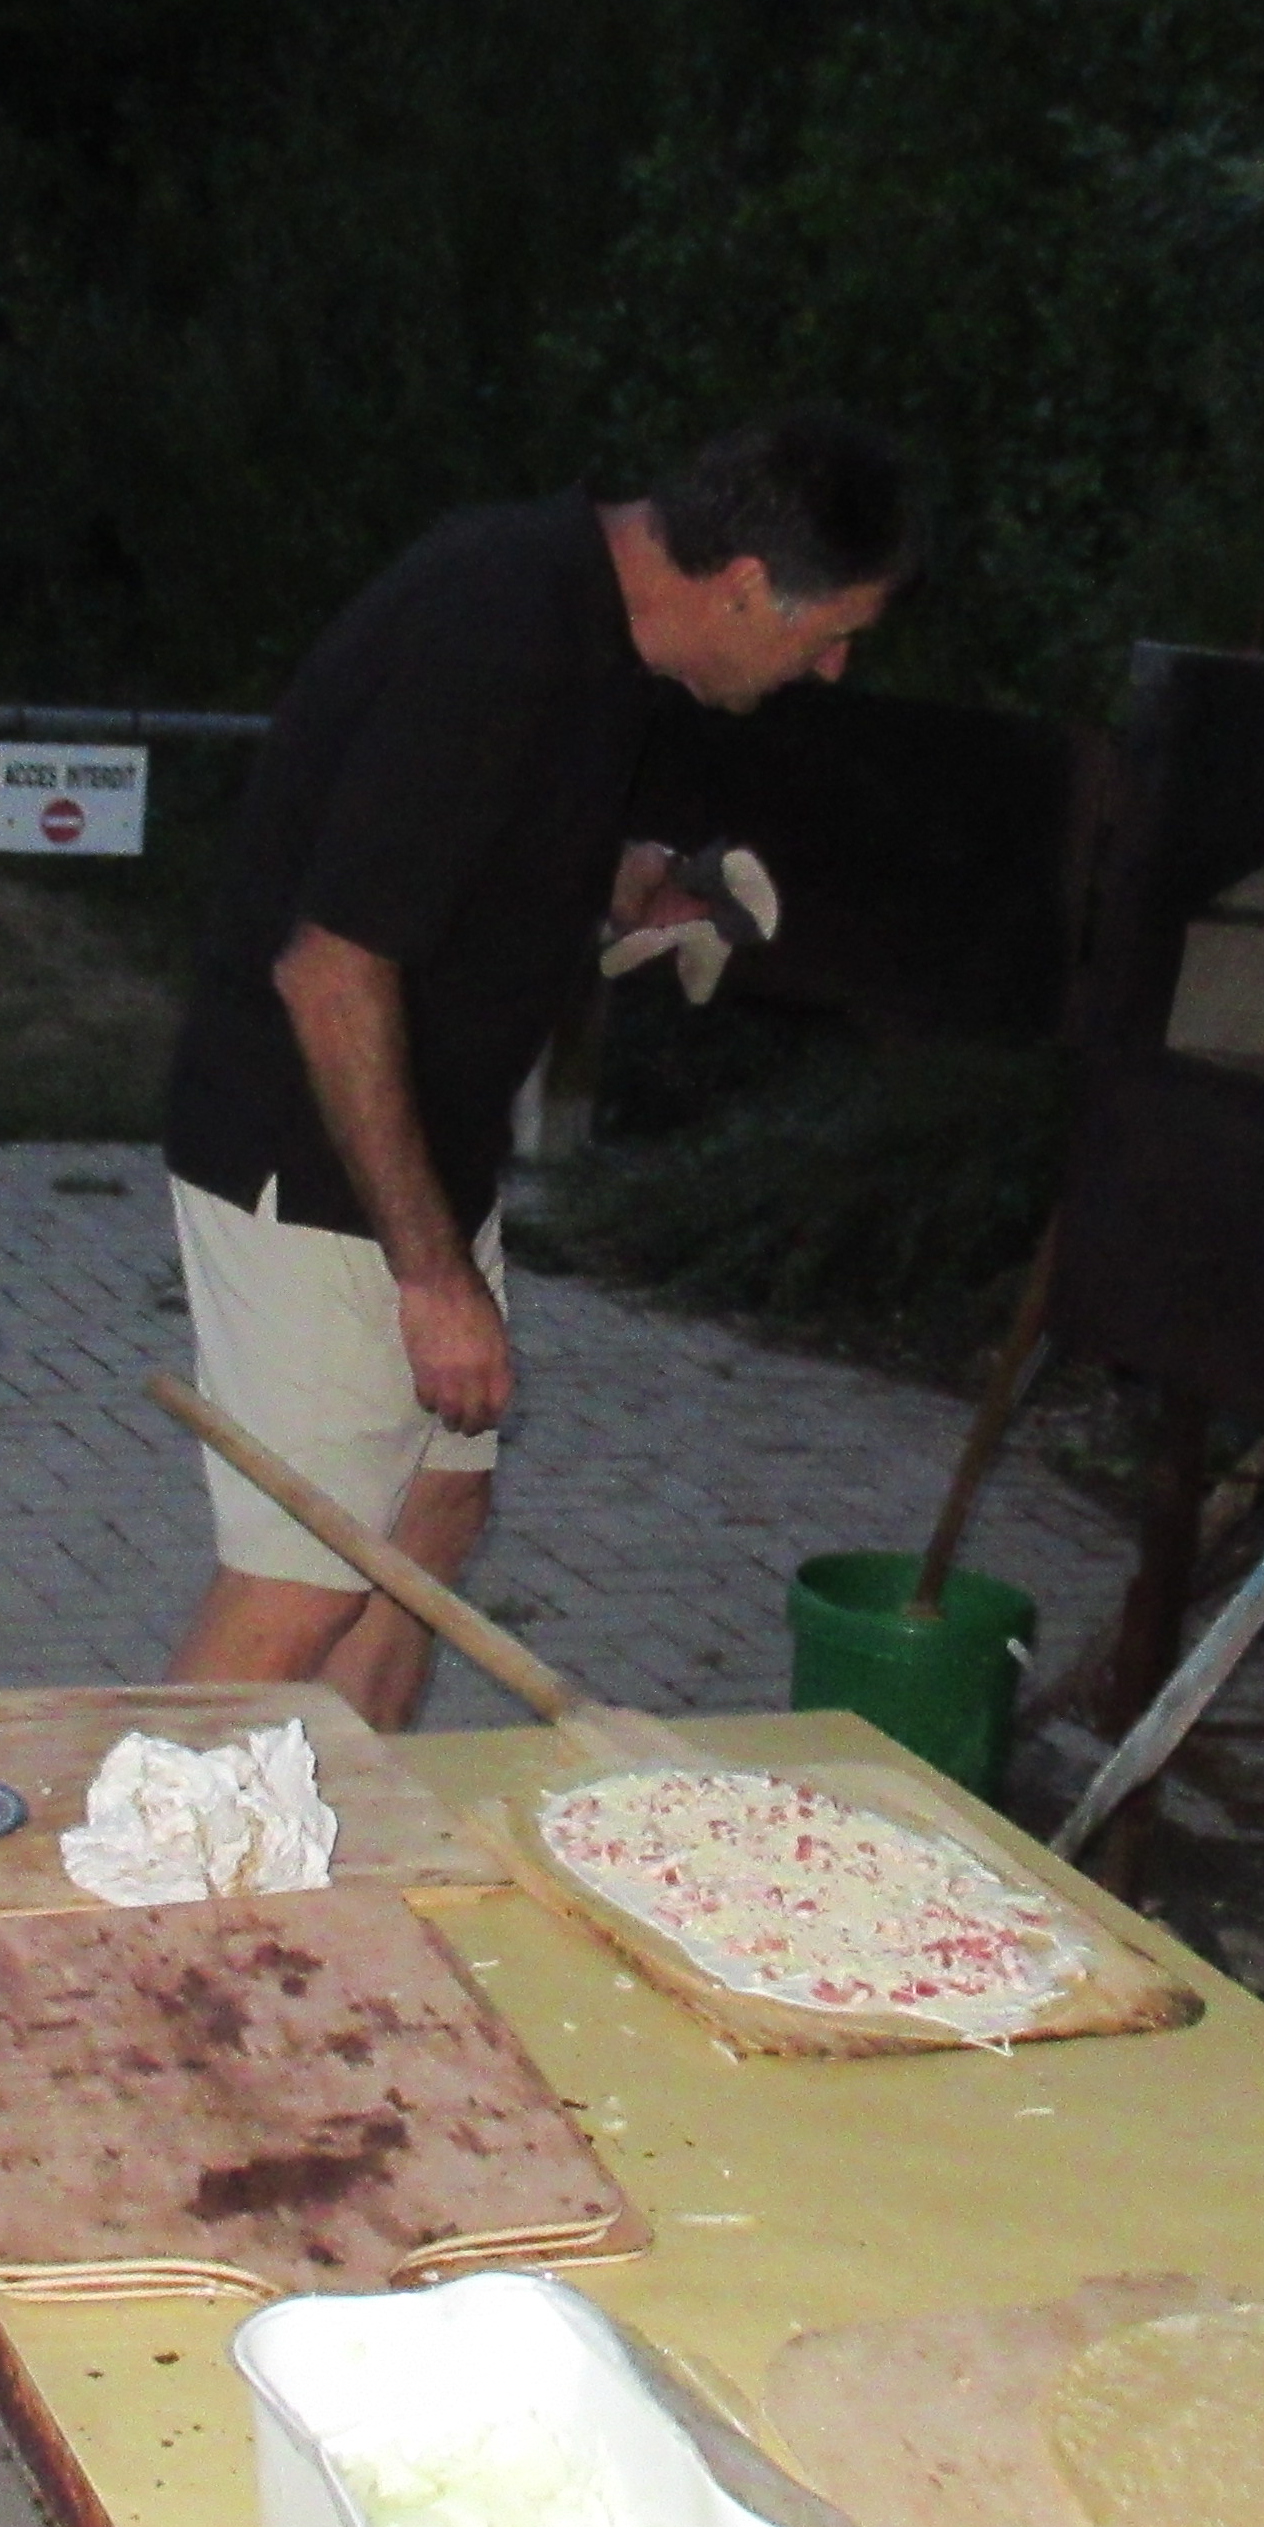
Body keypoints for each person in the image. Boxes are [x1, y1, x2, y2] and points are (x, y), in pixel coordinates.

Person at [156, 413, 913, 1724]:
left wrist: (630, 887)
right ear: (745, 586)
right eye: (833, 631)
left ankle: (359, 1820)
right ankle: (121, 1847)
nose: (835, 667)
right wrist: (432, 1278)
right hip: (315, 1157)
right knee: (304, 1583)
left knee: (428, 1522)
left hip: (428, 1154)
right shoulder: (495, 632)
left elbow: (468, 833)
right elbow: (328, 970)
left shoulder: (596, 630)